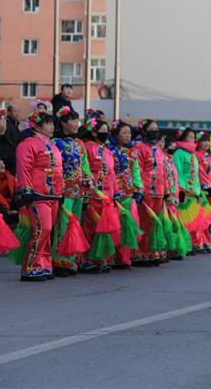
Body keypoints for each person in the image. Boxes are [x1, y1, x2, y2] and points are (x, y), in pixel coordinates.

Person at [13, 112, 64, 281]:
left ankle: (44, 265)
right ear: (37, 126)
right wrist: (26, 189)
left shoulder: (53, 145)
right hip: (37, 193)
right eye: (48, 124)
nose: (52, 127)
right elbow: (24, 167)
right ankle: (30, 267)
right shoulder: (28, 144)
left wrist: (60, 190)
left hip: (53, 194)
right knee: (43, 229)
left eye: (52, 124)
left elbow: (58, 171)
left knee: (47, 232)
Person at [51, 107, 93, 275]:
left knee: (74, 226)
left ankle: (69, 261)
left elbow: (85, 167)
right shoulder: (54, 143)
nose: (76, 124)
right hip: (63, 191)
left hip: (78, 191)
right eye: (72, 120)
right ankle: (58, 261)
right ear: (62, 122)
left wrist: (88, 181)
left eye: (77, 120)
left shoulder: (79, 144)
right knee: (63, 224)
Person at [80, 117, 121, 274]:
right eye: (103, 131)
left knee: (104, 228)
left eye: (107, 131)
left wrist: (115, 192)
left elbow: (111, 174)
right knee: (90, 227)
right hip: (93, 194)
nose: (106, 134)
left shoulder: (107, 151)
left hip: (107, 196)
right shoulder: (87, 147)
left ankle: (101, 258)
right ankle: (86, 259)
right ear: (94, 132)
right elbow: (85, 169)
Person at [132, 120, 168, 265]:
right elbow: (137, 170)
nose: (155, 131)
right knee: (144, 223)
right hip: (146, 191)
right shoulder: (138, 148)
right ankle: (141, 253)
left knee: (155, 223)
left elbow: (163, 172)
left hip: (158, 192)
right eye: (151, 129)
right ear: (143, 131)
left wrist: (166, 190)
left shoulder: (158, 150)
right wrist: (138, 189)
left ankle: (152, 252)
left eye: (156, 129)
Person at [110, 121, 144, 269]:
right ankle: (112, 258)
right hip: (114, 193)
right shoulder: (109, 150)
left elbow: (136, 171)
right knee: (115, 226)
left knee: (128, 226)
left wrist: (138, 189)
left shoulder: (132, 152)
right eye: (124, 133)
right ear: (116, 134)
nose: (127, 136)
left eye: (129, 133)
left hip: (128, 193)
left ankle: (124, 259)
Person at [0, 158, 18, 223]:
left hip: (11, 202)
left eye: (3, 163)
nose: (2, 166)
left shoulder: (10, 177)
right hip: (1, 205)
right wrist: (7, 210)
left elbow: (17, 188)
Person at [1, 104, 22, 175]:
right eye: (15, 111)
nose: (17, 114)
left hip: (14, 156)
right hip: (8, 157)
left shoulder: (15, 124)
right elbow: (7, 139)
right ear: (9, 113)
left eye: (18, 111)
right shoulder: (6, 123)